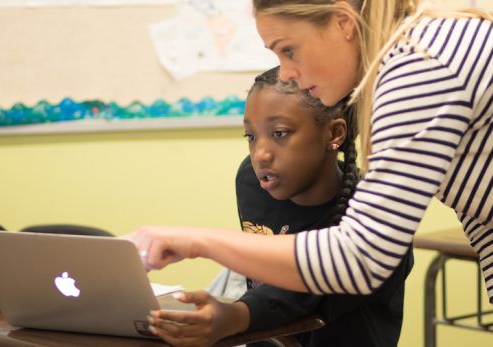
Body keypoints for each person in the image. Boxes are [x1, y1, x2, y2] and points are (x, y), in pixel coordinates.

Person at [127, 1, 493, 346]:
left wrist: (196, 240)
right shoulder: (397, 78)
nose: (285, 72)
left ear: (343, 22)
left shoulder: (417, 69)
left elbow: (359, 260)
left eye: (288, 49)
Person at [142, 67, 412, 347]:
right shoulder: (252, 181)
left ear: (334, 133)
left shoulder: (376, 216)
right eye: (251, 136)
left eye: (280, 133)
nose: (261, 154)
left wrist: (234, 316)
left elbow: (308, 293)